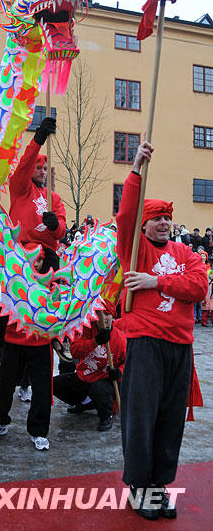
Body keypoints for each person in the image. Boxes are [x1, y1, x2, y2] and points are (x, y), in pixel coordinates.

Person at [116, 140, 208, 520]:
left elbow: (198, 287)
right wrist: (136, 168)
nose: (164, 222)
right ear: (145, 224)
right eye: (157, 217)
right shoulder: (135, 248)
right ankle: (139, 486)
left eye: (168, 217)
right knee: (142, 416)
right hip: (146, 344)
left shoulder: (186, 254)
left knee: (171, 419)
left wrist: (157, 283)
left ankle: (158, 485)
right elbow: (125, 215)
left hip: (180, 347)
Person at [0, 312, 53, 451]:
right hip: (12, 337)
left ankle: (39, 431)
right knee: (4, 384)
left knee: (41, 388)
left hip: (41, 336)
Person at [53, 304, 125, 432]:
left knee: (99, 388)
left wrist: (119, 372)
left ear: (113, 317)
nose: (103, 318)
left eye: (107, 314)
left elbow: (129, 362)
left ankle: (105, 416)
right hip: (84, 377)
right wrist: (95, 341)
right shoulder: (85, 330)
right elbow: (74, 352)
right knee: (54, 384)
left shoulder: (120, 338)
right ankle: (86, 402)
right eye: (99, 314)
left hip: (105, 380)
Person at [9, 117, 66, 273]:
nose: (43, 171)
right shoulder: (21, 188)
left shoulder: (53, 197)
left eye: (46, 169)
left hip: (47, 253)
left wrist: (55, 225)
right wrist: (38, 139)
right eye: (39, 167)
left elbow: (61, 230)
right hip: (20, 249)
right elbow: (25, 164)